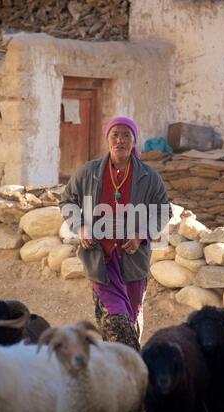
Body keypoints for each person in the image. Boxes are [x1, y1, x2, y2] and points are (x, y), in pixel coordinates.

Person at [63, 117, 171, 351]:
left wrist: (142, 234)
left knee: (128, 320)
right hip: (100, 259)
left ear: (134, 141)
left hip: (133, 261)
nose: (120, 140)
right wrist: (80, 226)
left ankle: (120, 368)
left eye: (126, 136)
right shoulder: (88, 172)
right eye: (115, 135)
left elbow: (164, 210)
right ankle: (131, 364)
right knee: (116, 320)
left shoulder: (148, 177)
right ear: (107, 139)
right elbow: (68, 200)